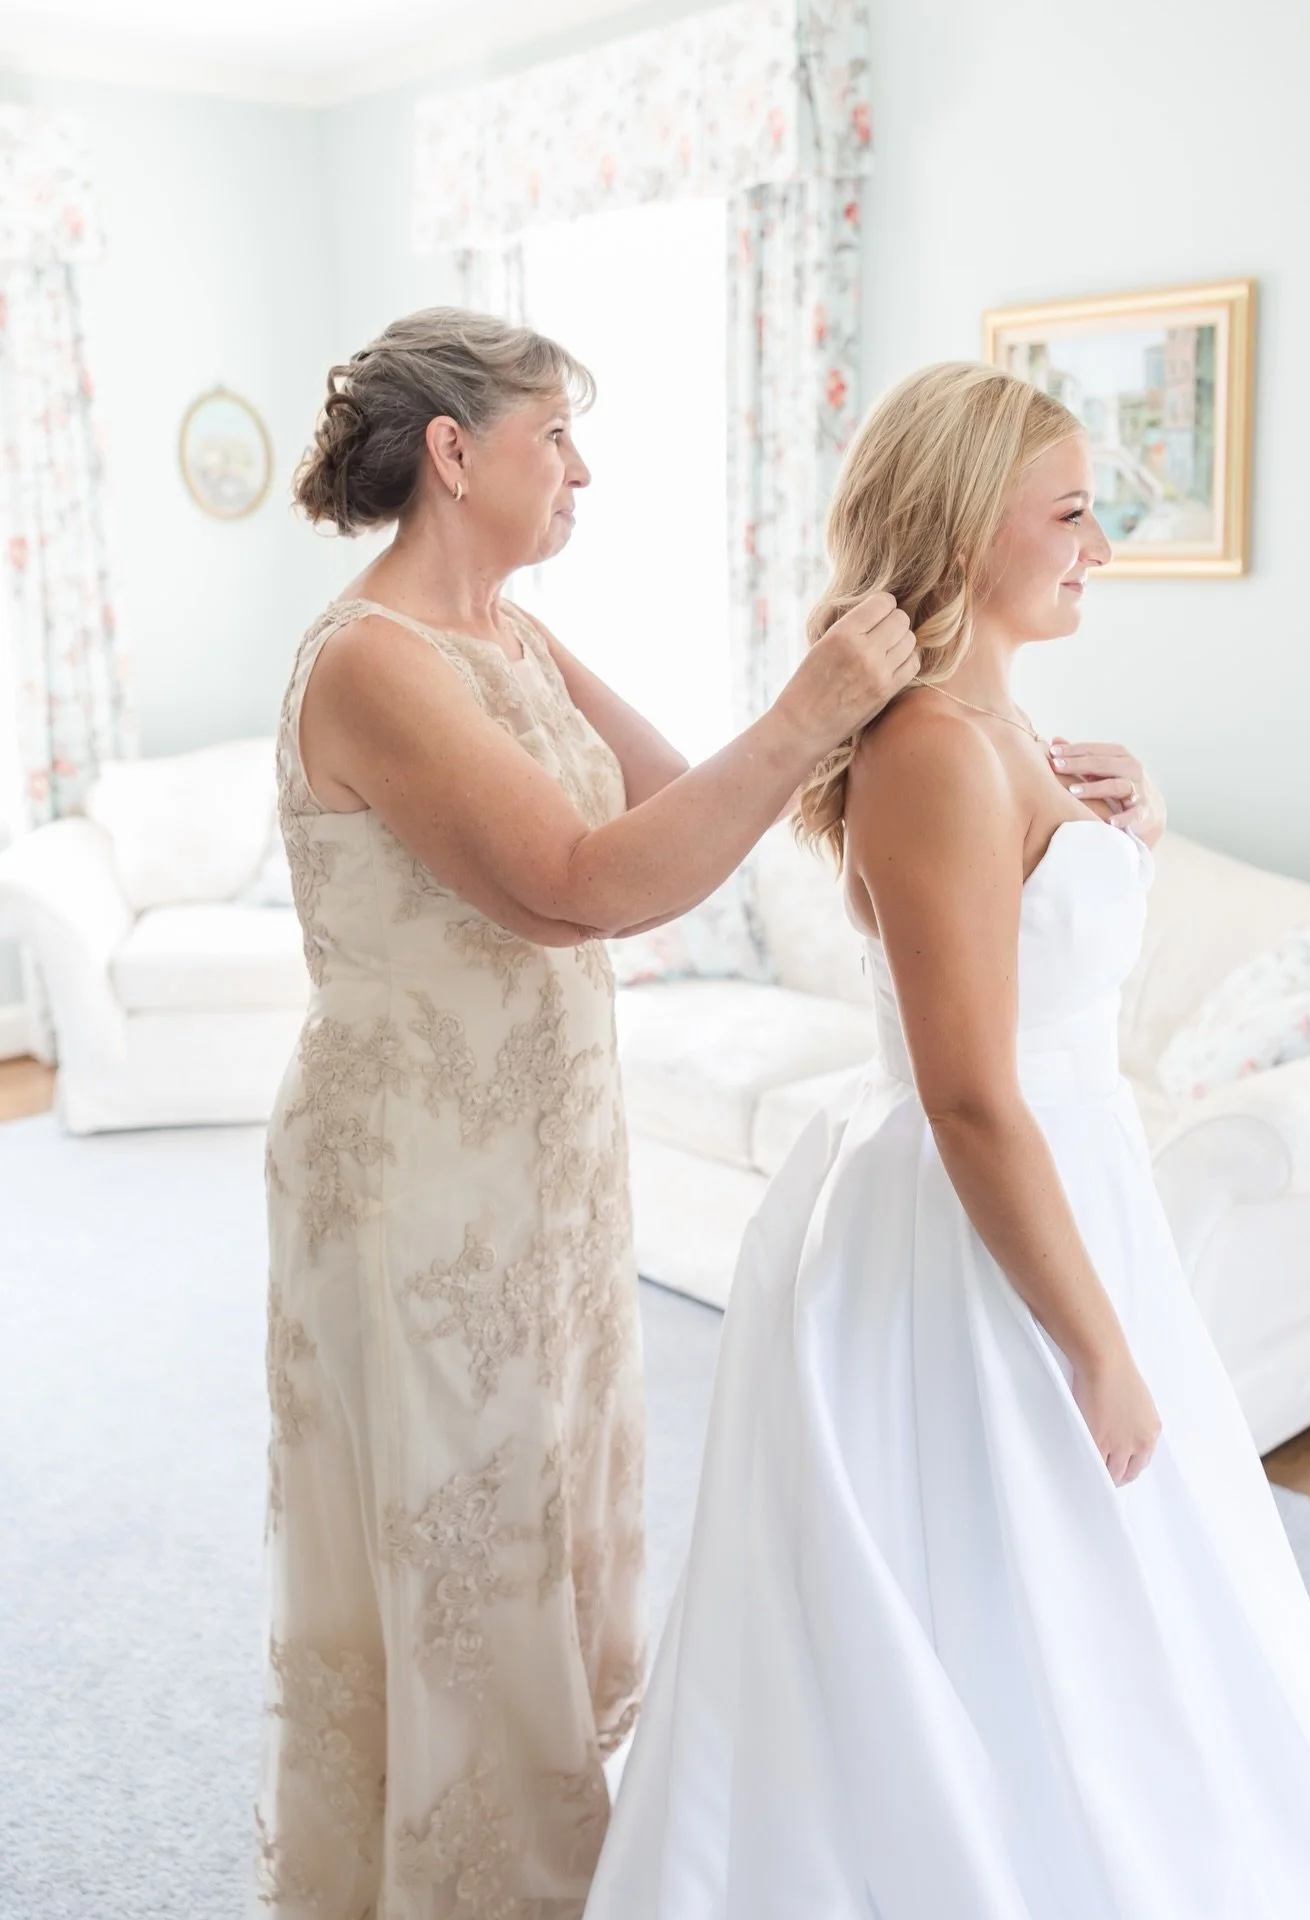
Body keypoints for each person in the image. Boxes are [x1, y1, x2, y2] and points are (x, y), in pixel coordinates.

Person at [584, 362, 1310, 1919]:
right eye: (1072, 513)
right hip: (973, 1217)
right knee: (988, 1573)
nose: (1101, 543)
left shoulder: (1004, 722)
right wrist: (1100, 1344)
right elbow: (973, 1093)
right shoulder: (926, 750)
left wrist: (1141, 824)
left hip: (1072, 1176)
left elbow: (1051, 966)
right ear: (973, 533)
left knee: (1102, 1597)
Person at [254, 307, 918, 1918]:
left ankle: (536, 1844)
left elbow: (681, 801)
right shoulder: (370, 663)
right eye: (559, 436)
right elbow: (577, 887)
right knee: (457, 1532)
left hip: (542, 1156)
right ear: (457, 454)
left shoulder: (513, 637)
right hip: (417, 1171)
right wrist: (810, 709)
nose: (585, 471)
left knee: (543, 1503)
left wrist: (825, 718)